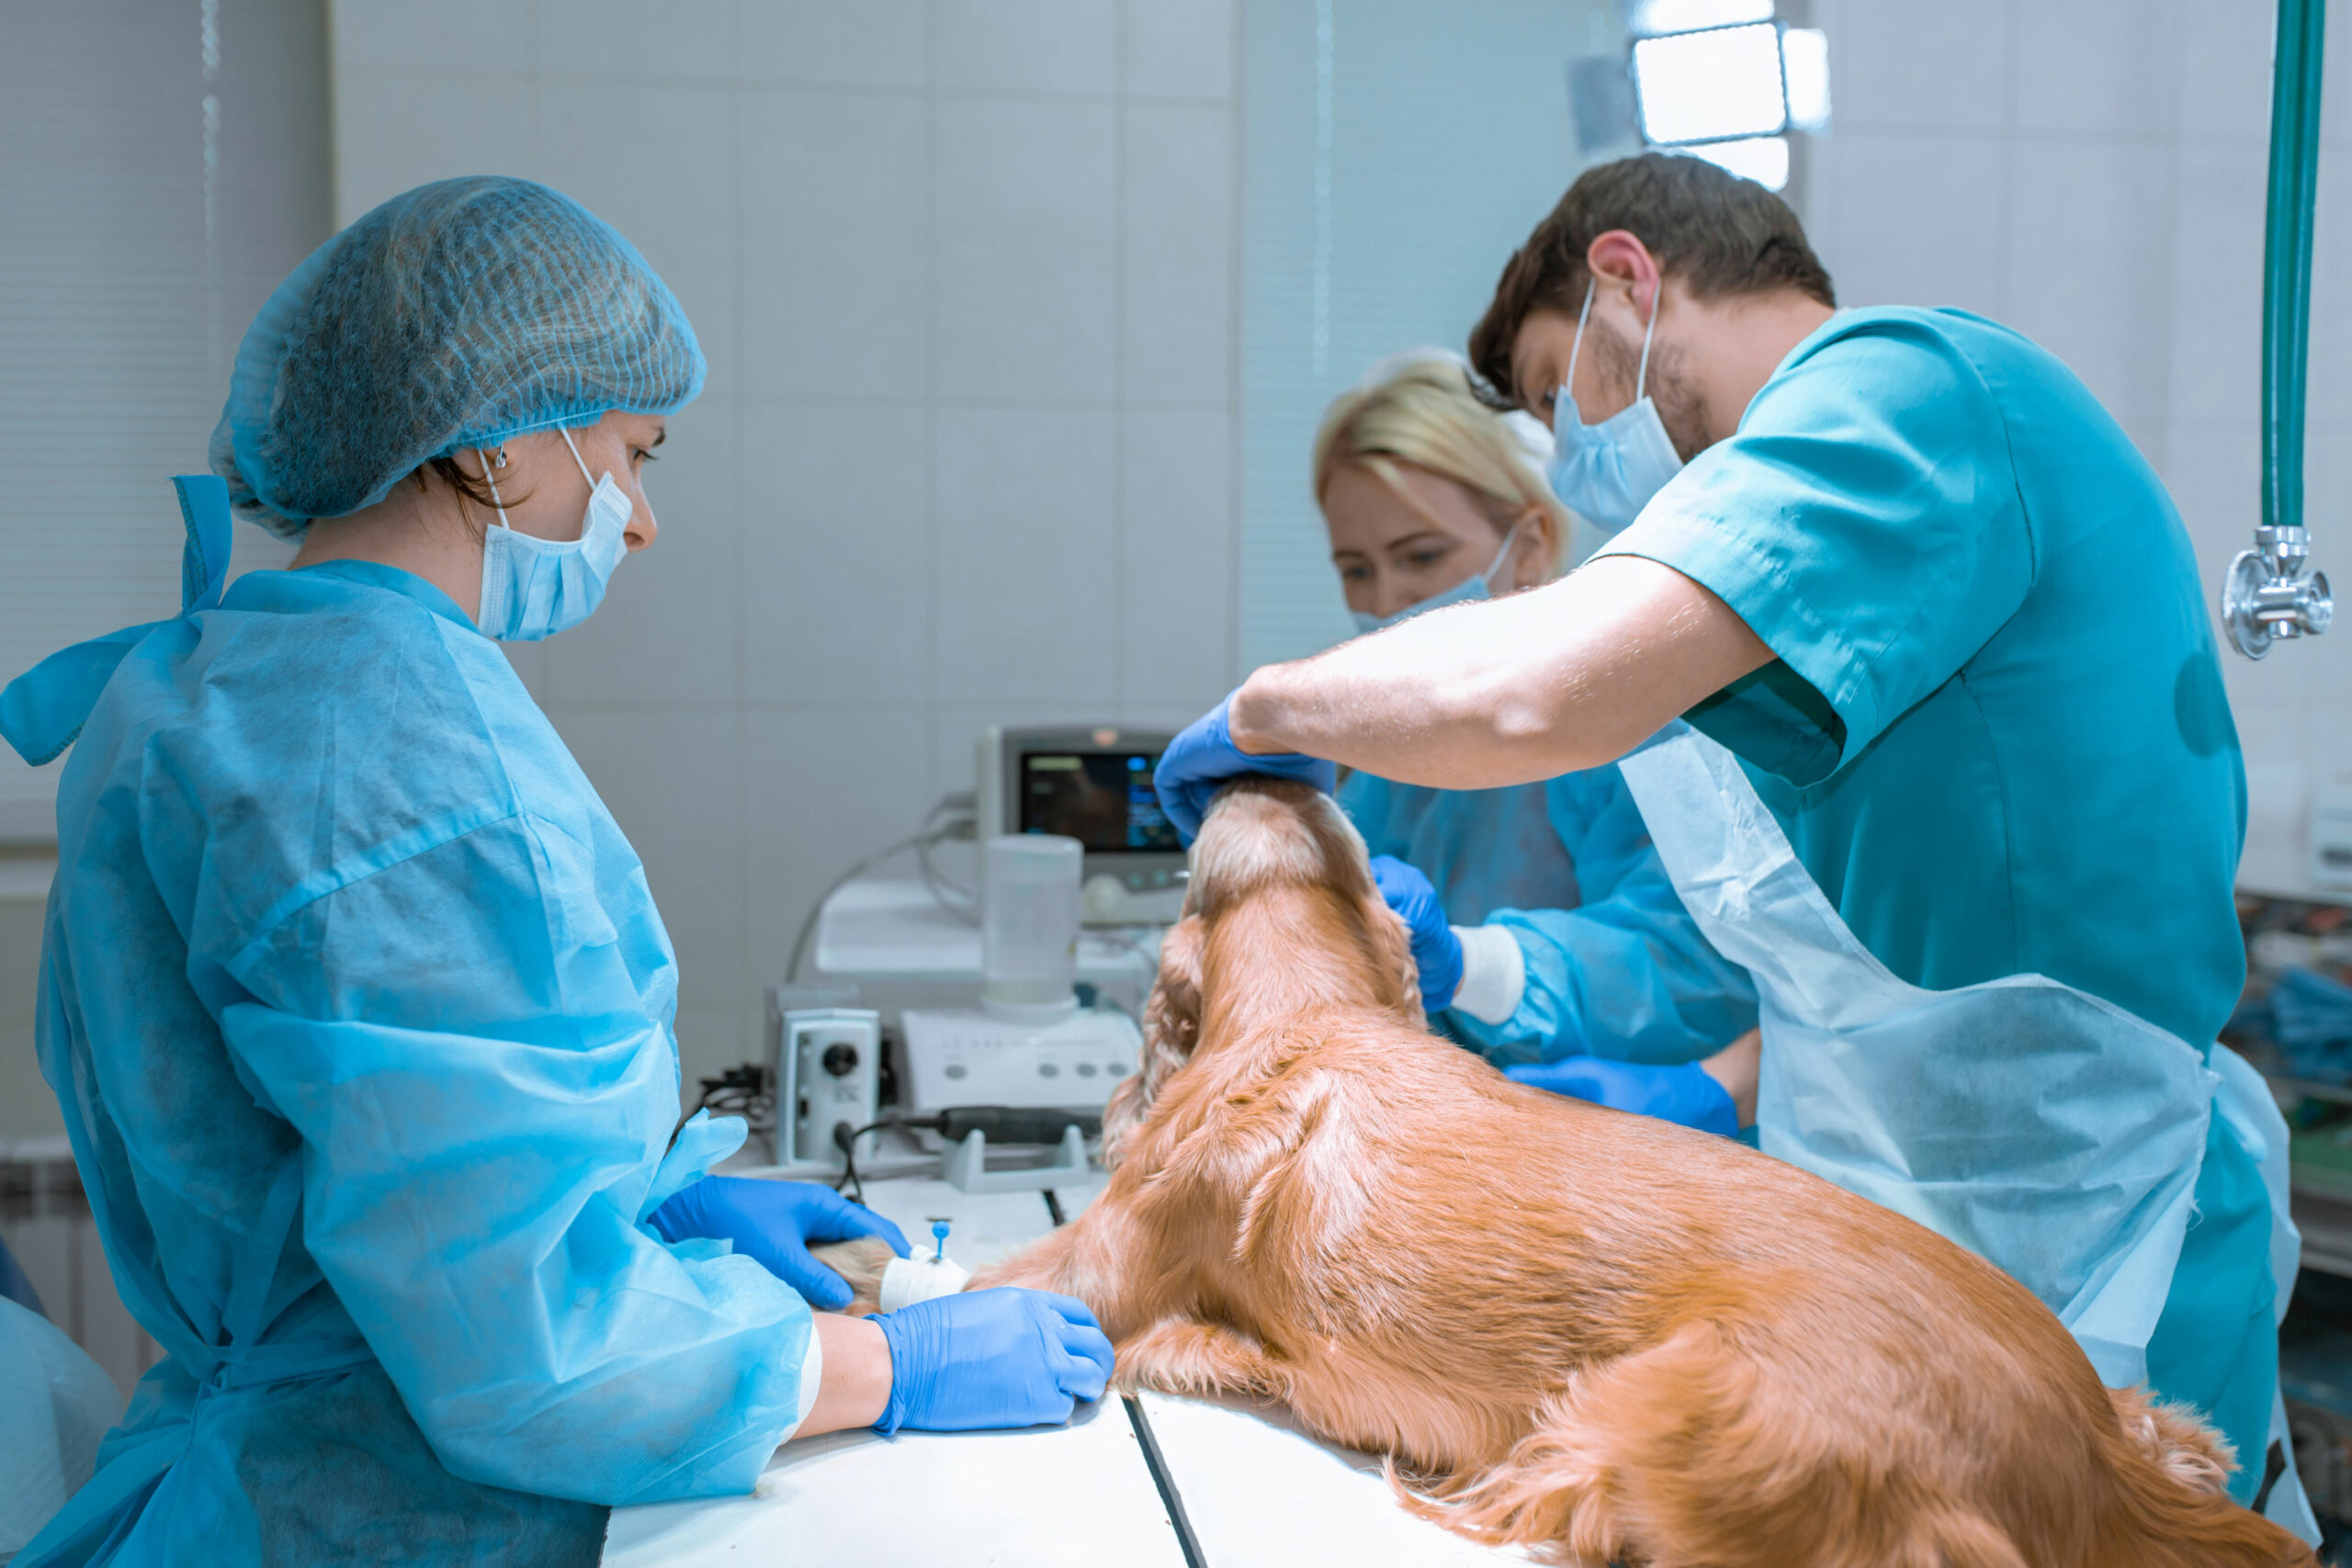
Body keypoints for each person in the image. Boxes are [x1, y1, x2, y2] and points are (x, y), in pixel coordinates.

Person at [1151, 153, 2312, 1529]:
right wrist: (1473, 966)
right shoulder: (1771, 552)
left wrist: (1270, 709)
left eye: (1550, 391)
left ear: (1625, 283)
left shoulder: (1912, 393)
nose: (1572, 447)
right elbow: (1736, 951)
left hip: (2096, 1232)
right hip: (1875, 1262)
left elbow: (1530, 693)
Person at [0, 177, 1113, 1567]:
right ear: (493, 438)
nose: (638, 518)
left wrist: (652, 1206)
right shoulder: (403, 746)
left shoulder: (194, 685)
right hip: (388, 1502)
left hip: (270, 1471)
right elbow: (534, 1357)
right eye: (633, 452)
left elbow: (362, 1160)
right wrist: (889, 1368)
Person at [1313, 353, 1756, 1113]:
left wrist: (1478, 964)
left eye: (1421, 556)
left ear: (1528, 543)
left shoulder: (1628, 711)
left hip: (1627, 1153)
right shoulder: (1399, 742)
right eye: (1356, 569)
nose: (1387, 598)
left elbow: (1699, 964)